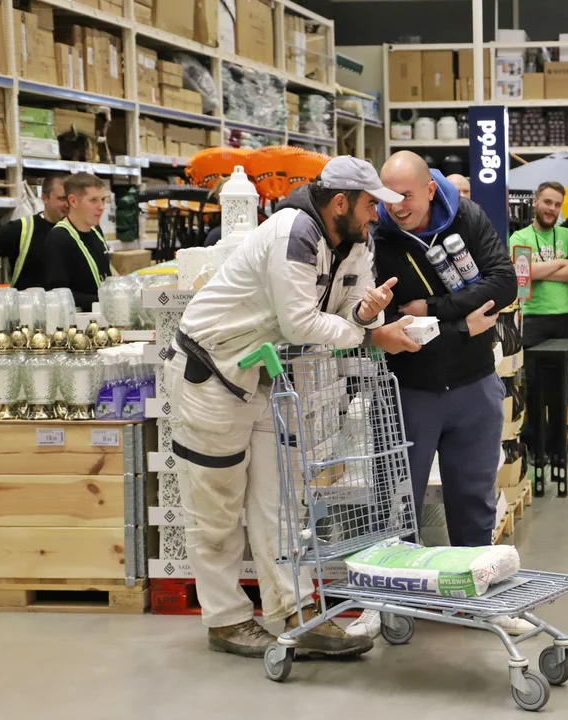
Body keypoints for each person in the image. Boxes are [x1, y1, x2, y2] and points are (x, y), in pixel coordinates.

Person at [165, 156, 420, 659]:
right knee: (216, 506)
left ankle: (295, 612)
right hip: (211, 374)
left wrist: (365, 312)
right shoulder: (294, 232)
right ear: (340, 202)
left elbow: (345, 310)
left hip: (267, 378)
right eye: (371, 204)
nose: (377, 216)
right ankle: (226, 619)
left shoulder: (356, 241)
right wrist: (368, 333)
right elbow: (302, 322)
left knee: (281, 503)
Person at [373, 151, 517, 555]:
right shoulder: (376, 236)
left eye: (406, 195)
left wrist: (433, 311)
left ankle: (477, 596)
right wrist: (462, 326)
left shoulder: (465, 216)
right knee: (398, 506)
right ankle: (391, 607)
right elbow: (389, 324)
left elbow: (505, 284)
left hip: (474, 385)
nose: (396, 207)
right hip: (409, 390)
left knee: (474, 501)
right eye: (387, 197)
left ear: (430, 189)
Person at [508, 181, 568, 347]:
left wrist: (538, 271)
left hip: (567, 317)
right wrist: (562, 262)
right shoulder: (520, 237)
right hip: (532, 317)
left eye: (557, 204)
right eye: (548, 202)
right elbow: (523, 274)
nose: (552, 208)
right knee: (536, 372)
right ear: (535, 202)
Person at [45, 173, 112, 309]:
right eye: (93, 200)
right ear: (73, 201)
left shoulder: (95, 230)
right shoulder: (59, 239)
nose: (101, 207)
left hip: (103, 315)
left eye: (103, 200)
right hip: (78, 324)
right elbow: (59, 295)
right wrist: (105, 300)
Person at [0, 175, 66, 290]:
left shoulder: (79, 230)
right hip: (28, 305)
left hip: (70, 305)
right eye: (61, 199)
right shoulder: (22, 228)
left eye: (69, 199)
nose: (67, 204)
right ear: (44, 198)